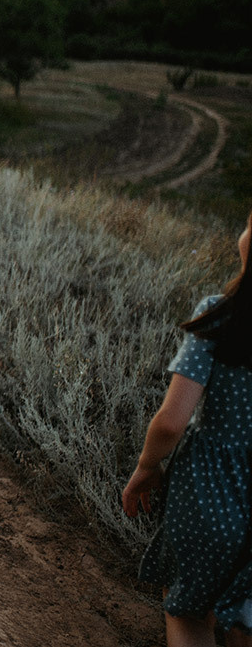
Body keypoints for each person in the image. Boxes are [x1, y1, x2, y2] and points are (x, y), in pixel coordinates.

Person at [121, 210, 252, 647]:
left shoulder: (221, 316)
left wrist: (146, 466)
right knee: (241, 626)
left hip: (211, 492)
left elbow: (173, 420)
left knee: (189, 614)